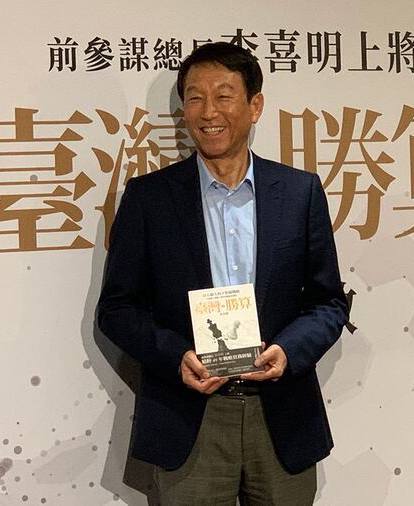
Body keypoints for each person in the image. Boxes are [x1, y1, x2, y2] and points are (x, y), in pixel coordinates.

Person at [97, 42, 349, 505]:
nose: (208, 111)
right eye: (195, 97)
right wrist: (176, 357)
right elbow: (117, 308)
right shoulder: (149, 198)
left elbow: (329, 301)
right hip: (189, 418)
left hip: (281, 417)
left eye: (224, 96)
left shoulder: (300, 192)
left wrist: (288, 351)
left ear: (255, 106)